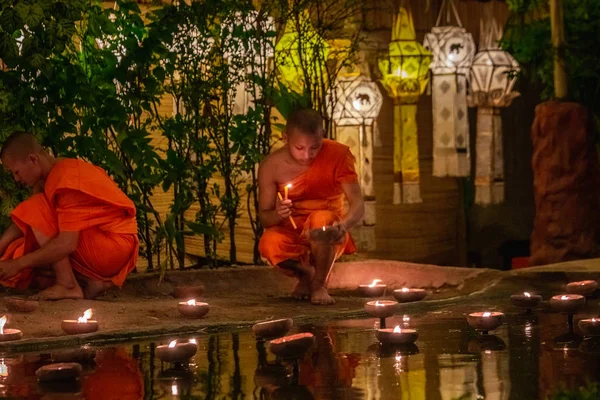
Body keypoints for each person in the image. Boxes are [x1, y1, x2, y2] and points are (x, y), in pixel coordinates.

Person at [0, 131, 139, 300]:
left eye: (16, 172)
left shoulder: (66, 179)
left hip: (112, 247)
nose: (16, 179)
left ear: (33, 159)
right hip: (107, 245)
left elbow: (67, 244)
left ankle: (68, 285)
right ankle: (93, 282)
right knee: (24, 253)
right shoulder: (53, 174)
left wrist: (18, 264)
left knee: (26, 257)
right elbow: (28, 218)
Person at [258, 109, 364, 305]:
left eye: (315, 147)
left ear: (322, 137)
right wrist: (278, 214)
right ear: (285, 138)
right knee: (268, 243)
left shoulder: (338, 155)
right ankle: (306, 273)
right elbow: (265, 218)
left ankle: (319, 284)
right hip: (292, 231)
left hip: (329, 231)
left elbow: (357, 203)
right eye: (299, 148)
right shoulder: (271, 166)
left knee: (322, 220)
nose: (307, 155)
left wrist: (344, 225)